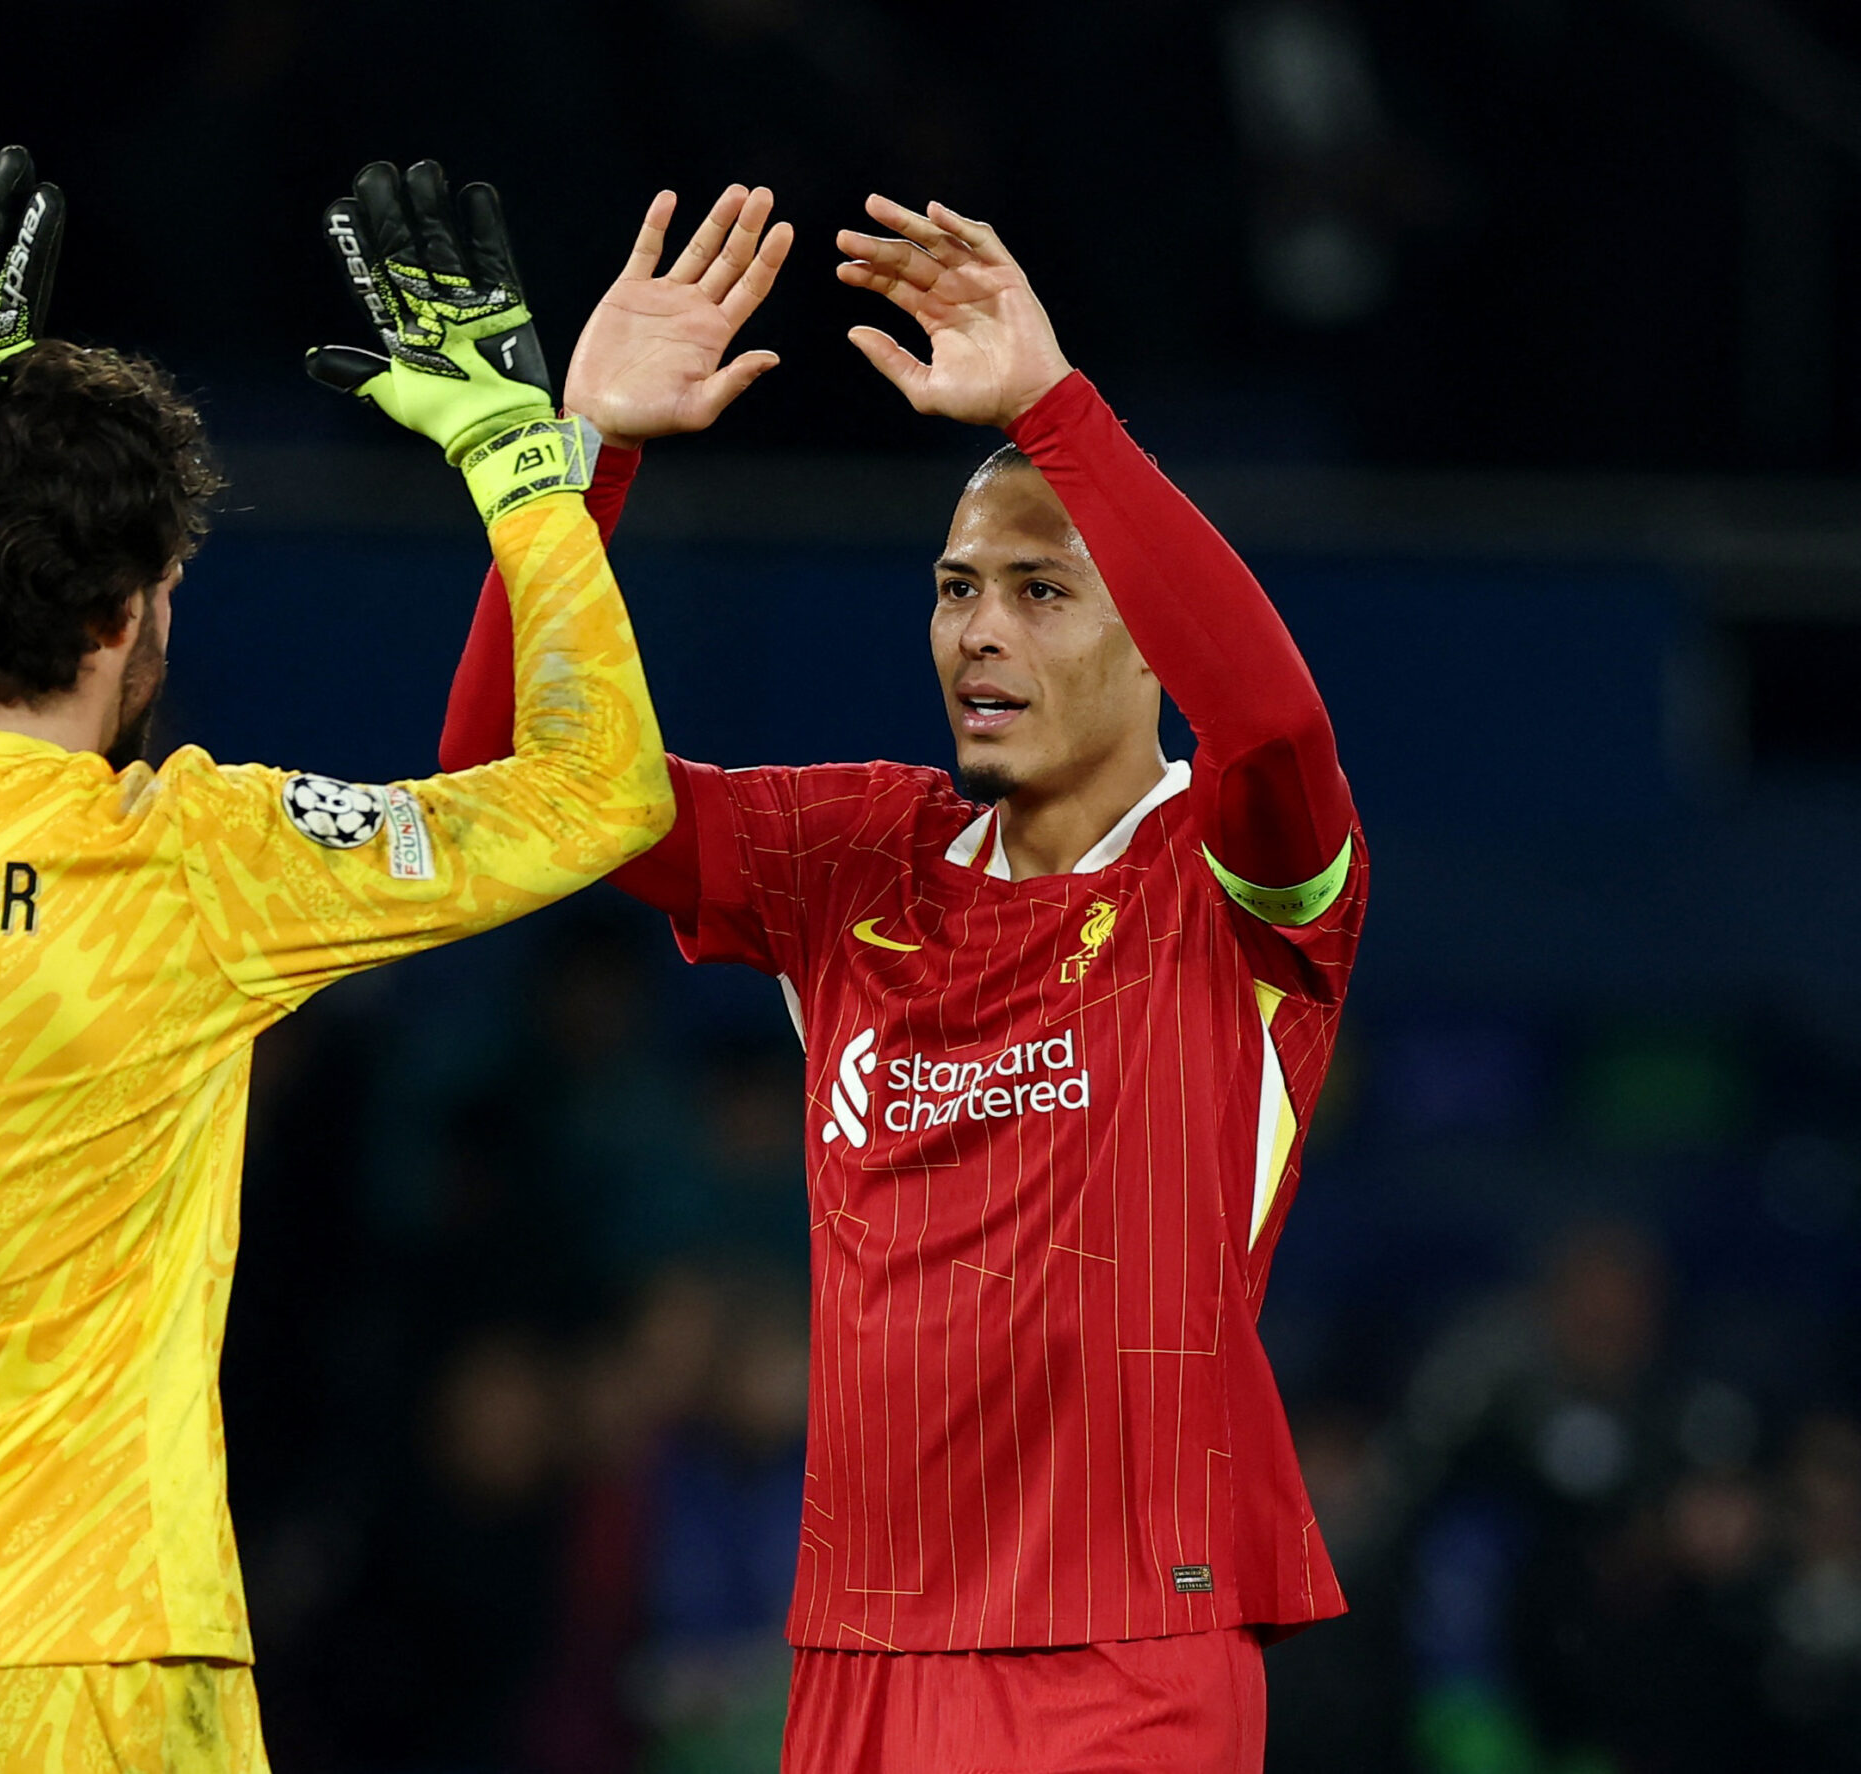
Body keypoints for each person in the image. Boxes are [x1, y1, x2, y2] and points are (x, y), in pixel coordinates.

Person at [0, 144, 671, 1773]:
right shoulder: (185, 862)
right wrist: (517, 456)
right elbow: (601, 784)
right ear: (129, 613)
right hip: (95, 1659)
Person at [437, 184, 1366, 1771]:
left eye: (1041, 589)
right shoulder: (855, 858)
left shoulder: (1232, 884)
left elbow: (1273, 725)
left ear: (1157, 647)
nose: (978, 633)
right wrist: (579, 461)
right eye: (955, 589)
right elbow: (508, 782)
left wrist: (1057, 414)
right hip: (864, 1648)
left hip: (1129, 1644)